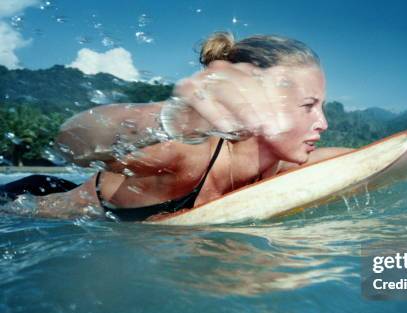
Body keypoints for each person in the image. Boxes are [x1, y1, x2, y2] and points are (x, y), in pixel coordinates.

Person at [0, 32, 352, 221]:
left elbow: (384, 156)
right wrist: (172, 118)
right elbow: (70, 142)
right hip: (26, 204)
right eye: (308, 107)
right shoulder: (189, 154)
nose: (323, 122)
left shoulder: (284, 164)